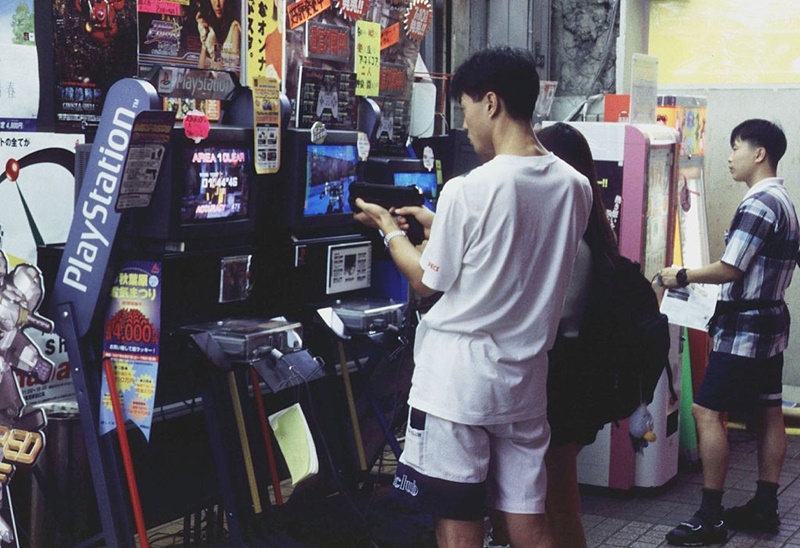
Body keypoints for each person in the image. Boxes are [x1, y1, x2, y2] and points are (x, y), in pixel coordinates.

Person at [353, 47, 592, 548]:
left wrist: (387, 230)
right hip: (525, 383)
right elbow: (515, 248)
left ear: (491, 103)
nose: (464, 125)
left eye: (464, 109)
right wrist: (440, 224)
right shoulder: (575, 187)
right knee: (529, 523)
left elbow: (426, 282)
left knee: (458, 526)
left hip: (458, 388)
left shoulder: (469, 189)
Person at [659, 119, 799, 546]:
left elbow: (730, 268)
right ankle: (764, 507)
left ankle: (710, 517)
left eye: (736, 147)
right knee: (769, 411)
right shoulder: (785, 201)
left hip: (744, 327)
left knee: (706, 412)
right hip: (770, 320)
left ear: (759, 154)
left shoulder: (759, 203)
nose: (729, 157)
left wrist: (681, 275)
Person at [484, 123, 621, 548]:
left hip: (558, 382)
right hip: (576, 380)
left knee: (557, 498)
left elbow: (541, 316)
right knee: (548, 496)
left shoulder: (572, 245)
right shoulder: (589, 235)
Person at [195, 0, 242, 71]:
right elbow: (201, 69)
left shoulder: (234, 27)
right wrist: (204, 41)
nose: (217, 4)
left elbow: (233, 71)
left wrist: (213, 48)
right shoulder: (211, 26)